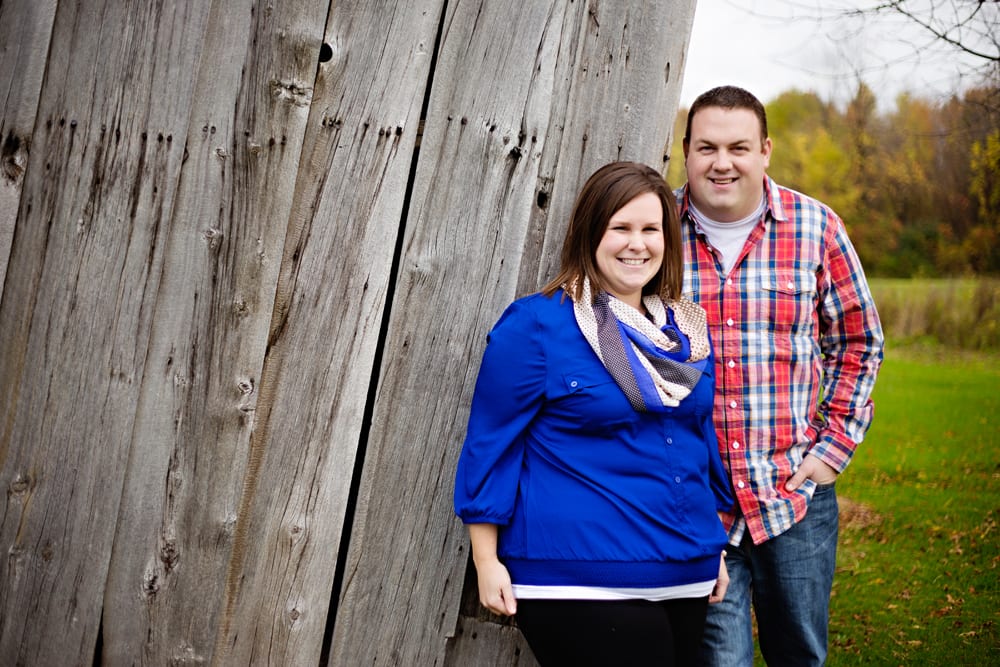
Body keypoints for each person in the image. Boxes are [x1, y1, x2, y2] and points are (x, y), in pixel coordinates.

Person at [454, 161, 735, 666]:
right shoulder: (539, 324)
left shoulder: (684, 333)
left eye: (651, 229)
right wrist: (485, 559)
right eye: (620, 228)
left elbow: (696, 441)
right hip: (577, 573)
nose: (637, 243)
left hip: (685, 567)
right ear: (591, 233)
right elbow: (491, 443)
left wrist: (711, 542)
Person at [676, 85, 885, 666]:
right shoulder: (656, 236)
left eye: (738, 147)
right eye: (706, 147)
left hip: (793, 495)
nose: (722, 163)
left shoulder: (816, 228)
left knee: (800, 654)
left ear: (765, 149)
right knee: (719, 660)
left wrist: (832, 448)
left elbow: (859, 343)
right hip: (696, 502)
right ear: (686, 151)